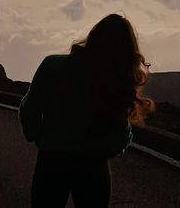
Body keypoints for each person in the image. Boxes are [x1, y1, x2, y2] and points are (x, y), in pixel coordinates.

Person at [19, 13, 153, 208]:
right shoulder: (117, 80)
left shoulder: (52, 65)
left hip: (52, 162)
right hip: (93, 166)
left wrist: (38, 136)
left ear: (93, 36)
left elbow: (29, 109)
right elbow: (119, 138)